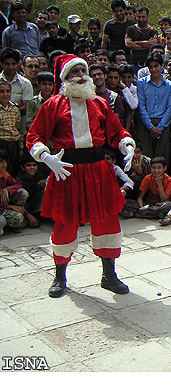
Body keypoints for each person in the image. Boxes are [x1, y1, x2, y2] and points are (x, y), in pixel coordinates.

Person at [26, 54, 136, 298]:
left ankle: (109, 275)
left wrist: (126, 145)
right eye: (74, 72)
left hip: (98, 170)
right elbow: (34, 136)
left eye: (82, 71)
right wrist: (46, 157)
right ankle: (60, 276)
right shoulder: (52, 105)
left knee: (107, 220)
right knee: (65, 223)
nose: (81, 76)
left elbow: (116, 131)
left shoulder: (99, 103)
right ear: (65, 77)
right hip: (67, 171)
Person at [137, 51, 171, 164]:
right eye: (151, 67)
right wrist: (150, 127)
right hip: (145, 123)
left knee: (162, 158)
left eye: (156, 66)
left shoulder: (169, 85)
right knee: (145, 158)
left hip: (162, 123)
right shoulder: (141, 83)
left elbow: (170, 107)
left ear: (162, 66)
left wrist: (160, 127)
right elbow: (141, 106)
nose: (154, 70)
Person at [0, 47, 33, 136]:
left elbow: (26, 108)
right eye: (7, 64)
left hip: (19, 131)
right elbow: (22, 106)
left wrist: (6, 109)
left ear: (18, 64)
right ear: (1, 64)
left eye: (13, 64)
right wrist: (18, 103)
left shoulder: (25, 83)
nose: (11, 67)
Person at [0, 149, 32, 234]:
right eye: (1, 162)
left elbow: (18, 184)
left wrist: (6, 190)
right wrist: (11, 207)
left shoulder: (4, 174)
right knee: (17, 218)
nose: (4, 165)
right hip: (3, 208)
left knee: (22, 193)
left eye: (5, 162)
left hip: (3, 207)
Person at [125, 7, 158, 72]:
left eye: (143, 17)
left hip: (148, 65)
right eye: (139, 17)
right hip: (134, 64)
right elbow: (128, 44)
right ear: (135, 16)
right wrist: (146, 45)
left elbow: (153, 44)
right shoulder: (131, 29)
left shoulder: (153, 31)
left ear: (148, 16)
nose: (141, 19)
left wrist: (136, 42)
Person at [15, 152, 45, 219]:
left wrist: (45, 181)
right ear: (22, 167)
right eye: (28, 165)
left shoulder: (39, 176)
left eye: (34, 165)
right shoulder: (18, 180)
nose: (32, 168)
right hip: (23, 206)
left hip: (34, 204)